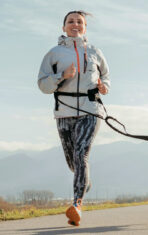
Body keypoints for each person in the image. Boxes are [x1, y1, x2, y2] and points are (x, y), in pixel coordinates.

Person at [37, 10, 110, 226]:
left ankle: (77, 205)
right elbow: (42, 85)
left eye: (80, 22)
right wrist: (62, 76)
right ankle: (83, 179)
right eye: (71, 21)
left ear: (85, 27)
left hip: (90, 110)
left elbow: (106, 76)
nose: (75, 24)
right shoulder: (54, 54)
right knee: (73, 163)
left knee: (81, 155)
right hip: (64, 112)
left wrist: (104, 87)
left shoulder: (95, 51)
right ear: (63, 27)